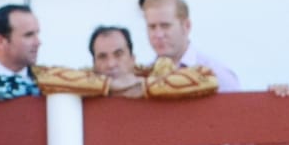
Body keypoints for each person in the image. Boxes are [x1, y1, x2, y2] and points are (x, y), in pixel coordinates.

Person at [140, 0, 241, 92]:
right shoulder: (142, 79)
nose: (158, 34)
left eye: (165, 26)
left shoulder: (218, 76)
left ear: (186, 26)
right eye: (152, 27)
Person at [81, 25, 219, 99]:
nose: (111, 64)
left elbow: (208, 78)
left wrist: (143, 88)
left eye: (119, 54)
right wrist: (109, 87)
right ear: (94, 64)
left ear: (132, 59)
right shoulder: (84, 86)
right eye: (102, 57)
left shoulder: (154, 78)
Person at [0, 4, 42, 98]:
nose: (38, 42)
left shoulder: (49, 83)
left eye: (36, 34)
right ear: (0, 41)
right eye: (28, 35)